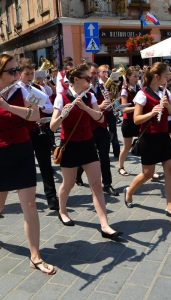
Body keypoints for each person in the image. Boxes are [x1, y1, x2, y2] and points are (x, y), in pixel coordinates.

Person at [0, 54, 56, 275]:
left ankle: (35, 256)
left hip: (21, 151)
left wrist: (7, 106)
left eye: (17, 71)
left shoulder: (23, 91)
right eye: (12, 72)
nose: (17, 75)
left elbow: (34, 116)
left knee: (31, 206)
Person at [49, 63, 122, 240]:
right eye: (88, 78)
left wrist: (85, 108)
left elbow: (100, 117)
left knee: (96, 184)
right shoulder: (61, 97)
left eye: (91, 78)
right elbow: (52, 127)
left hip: (88, 143)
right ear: (76, 80)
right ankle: (63, 210)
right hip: (70, 144)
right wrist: (62, 115)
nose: (91, 80)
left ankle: (105, 225)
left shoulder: (90, 96)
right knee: (69, 184)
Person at [124, 62, 171, 220]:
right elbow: (136, 119)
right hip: (149, 138)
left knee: (170, 171)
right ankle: (129, 191)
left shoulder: (166, 92)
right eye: (166, 76)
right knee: (148, 173)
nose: (168, 78)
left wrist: (167, 105)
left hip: (163, 136)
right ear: (157, 76)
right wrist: (152, 113)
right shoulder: (142, 94)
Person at [18, 58, 59, 210]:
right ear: (20, 74)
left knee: (45, 165)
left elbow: (50, 107)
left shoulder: (37, 88)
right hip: (25, 131)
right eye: (27, 74)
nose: (30, 77)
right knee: (27, 166)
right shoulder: (16, 89)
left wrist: (39, 105)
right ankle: (29, 197)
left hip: (40, 130)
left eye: (32, 74)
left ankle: (51, 197)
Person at [75, 62, 119, 196]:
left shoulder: (101, 87)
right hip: (88, 127)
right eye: (92, 74)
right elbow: (83, 109)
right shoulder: (83, 90)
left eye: (95, 73)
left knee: (104, 156)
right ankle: (77, 174)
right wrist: (99, 106)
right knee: (87, 157)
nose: (94, 76)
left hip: (101, 126)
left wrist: (109, 105)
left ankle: (107, 184)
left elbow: (106, 106)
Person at [118, 66, 141, 176]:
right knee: (127, 147)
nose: (137, 78)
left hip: (139, 119)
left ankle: (150, 170)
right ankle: (121, 167)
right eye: (134, 76)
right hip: (128, 121)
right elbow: (124, 108)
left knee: (145, 144)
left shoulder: (139, 88)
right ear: (128, 76)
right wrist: (138, 107)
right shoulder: (124, 90)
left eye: (138, 76)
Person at [98, 64, 120, 158]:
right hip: (100, 111)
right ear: (99, 73)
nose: (106, 73)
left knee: (113, 131)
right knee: (102, 132)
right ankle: (103, 151)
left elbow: (117, 96)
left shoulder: (111, 83)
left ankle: (117, 152)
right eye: (104, 71)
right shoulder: (96, 84)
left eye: (107, 71)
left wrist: (112, 95)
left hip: (110, 110)